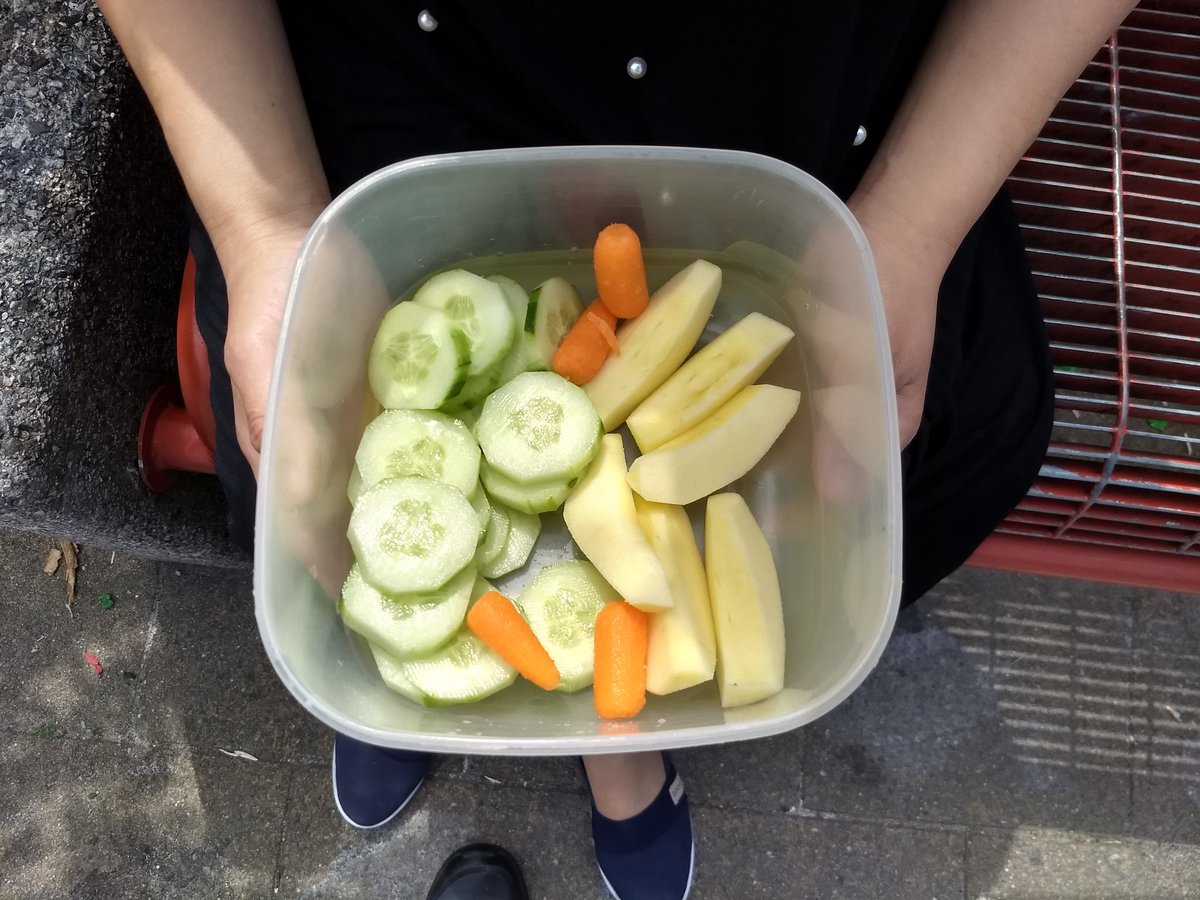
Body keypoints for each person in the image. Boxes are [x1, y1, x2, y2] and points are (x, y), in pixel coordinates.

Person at [95, 2, 1138, 899]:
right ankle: (407, 646)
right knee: (319, 501)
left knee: (912, 460)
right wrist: (268, 223)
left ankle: (622, 741)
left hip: (812, 145)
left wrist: (908, 228)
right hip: (372, 133)